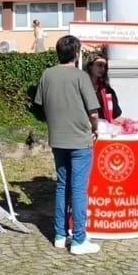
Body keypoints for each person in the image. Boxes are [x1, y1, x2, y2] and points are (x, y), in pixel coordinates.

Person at [33, 35, 101, 255]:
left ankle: (60, 235)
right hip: (80, 139)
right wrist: (95, 127)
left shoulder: (46, 74)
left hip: (58, 139)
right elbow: (93, 111)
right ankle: (79, 239)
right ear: (77, 53)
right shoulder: (80, 77)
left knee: (62, 186)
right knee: (79, 190)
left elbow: (40, 104)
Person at [84, 54, 123, 122]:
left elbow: (115, 115)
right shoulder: (81, 87)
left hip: (104, 128)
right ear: (90, 66)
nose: (102, 69)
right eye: (99, 65)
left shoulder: (108, 91)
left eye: (104, 66)